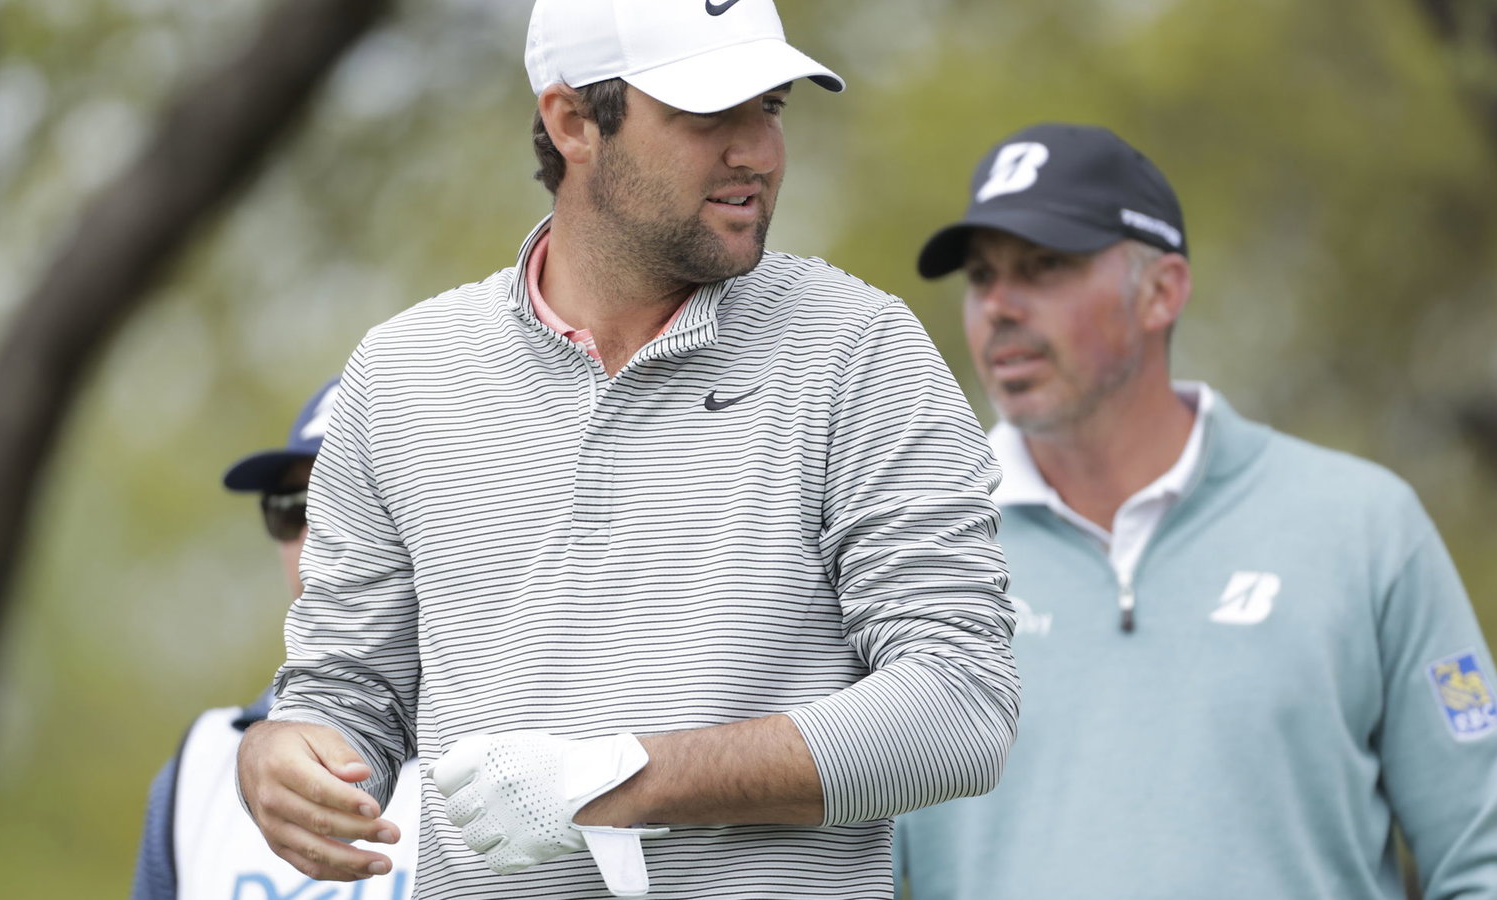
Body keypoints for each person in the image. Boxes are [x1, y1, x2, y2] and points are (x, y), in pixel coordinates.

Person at [234, 1, 1021, 898]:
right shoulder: (403, 373)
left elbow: (961, 705)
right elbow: (347, 700)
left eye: (770, 107)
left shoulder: (857, 349)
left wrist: (620, 779)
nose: (758, 150)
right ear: (571, 121)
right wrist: (278, 758)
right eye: (709, 113)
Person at [893, 122, 1497, 899]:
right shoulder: (907, 553)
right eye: (982, 276)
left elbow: (1493, 859)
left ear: (1161, 292)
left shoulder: (1362, 527)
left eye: (1044, 267)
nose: (998, 306)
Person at [131, 378, 420, 900]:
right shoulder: (205, 762)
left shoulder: (564, 739)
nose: (321, 538)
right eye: (293, 506)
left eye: (361, 500)